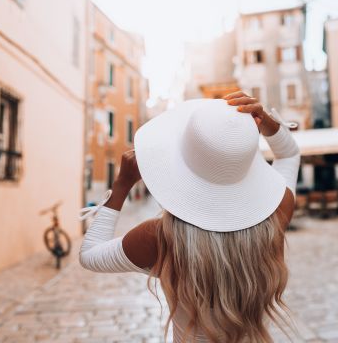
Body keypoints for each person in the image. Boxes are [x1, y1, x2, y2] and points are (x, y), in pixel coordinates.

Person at [79, 91, 301, 342]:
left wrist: (122, 185)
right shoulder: (276, 213)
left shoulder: (161, 237)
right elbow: (290, 155)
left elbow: (89, 255)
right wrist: (269, 123)